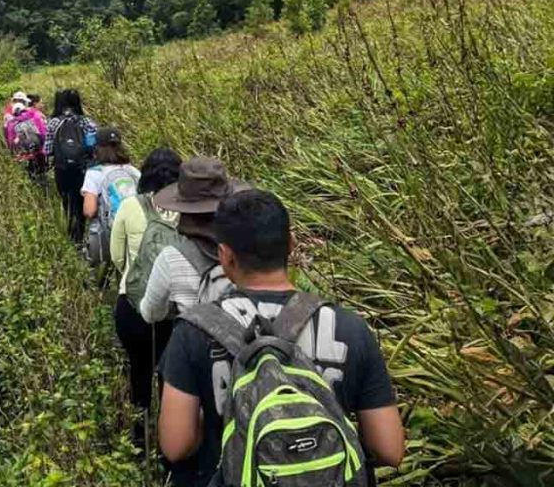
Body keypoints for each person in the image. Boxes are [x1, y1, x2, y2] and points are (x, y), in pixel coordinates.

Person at [158, 189, 405, 486]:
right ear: (291, 244)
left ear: (225, 256)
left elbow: (176, 445)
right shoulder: (350, 328)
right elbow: (389, 449)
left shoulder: (193, 332)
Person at [109, 147, 182, 447]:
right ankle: (171, 444)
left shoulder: (130, 206)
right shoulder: (189, 212)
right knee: (171, 378)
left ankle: (140, 436)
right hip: (174, 311)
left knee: (139, 369)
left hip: (133, 306)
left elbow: (116, 256)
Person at [139, 157, 246, 325]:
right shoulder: (248, 244)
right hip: (249, 342)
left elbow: (151, 313)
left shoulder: (171, 258)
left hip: (200, 342)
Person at [44, 89, 97, 243]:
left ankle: (71, 235)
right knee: (80, 201)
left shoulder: (53, 123)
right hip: (82, 169)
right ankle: (81, 235)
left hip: (62, 170)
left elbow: (47, 151)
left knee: (67, 201)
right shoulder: (86, 122)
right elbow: (94, 148)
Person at [82, 127, 140, 266]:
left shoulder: (94, 173)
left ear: (97, 149)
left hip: (110, 231)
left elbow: (89, 211)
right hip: (135, 227)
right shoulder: (133, 171)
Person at [4, 101, 48, 181]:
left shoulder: (12, 123)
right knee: (43, 170)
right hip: (39, 149)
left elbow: (11, 142)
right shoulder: (33, 115)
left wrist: (14, 153)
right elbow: (42, 132)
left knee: (30, 174)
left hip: (25, 154)